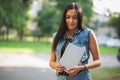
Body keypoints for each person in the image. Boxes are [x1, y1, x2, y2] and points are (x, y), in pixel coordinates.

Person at [49, 2, 101, 80]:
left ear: (79, 18)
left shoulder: (88, 34)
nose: (71, 20)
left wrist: (82, 67)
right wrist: (56, 66)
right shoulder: (57, 36)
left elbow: (98, 61)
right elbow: (51, 62)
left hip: (81, 77)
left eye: (75, 17)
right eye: (68, 17)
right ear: (64, 18)